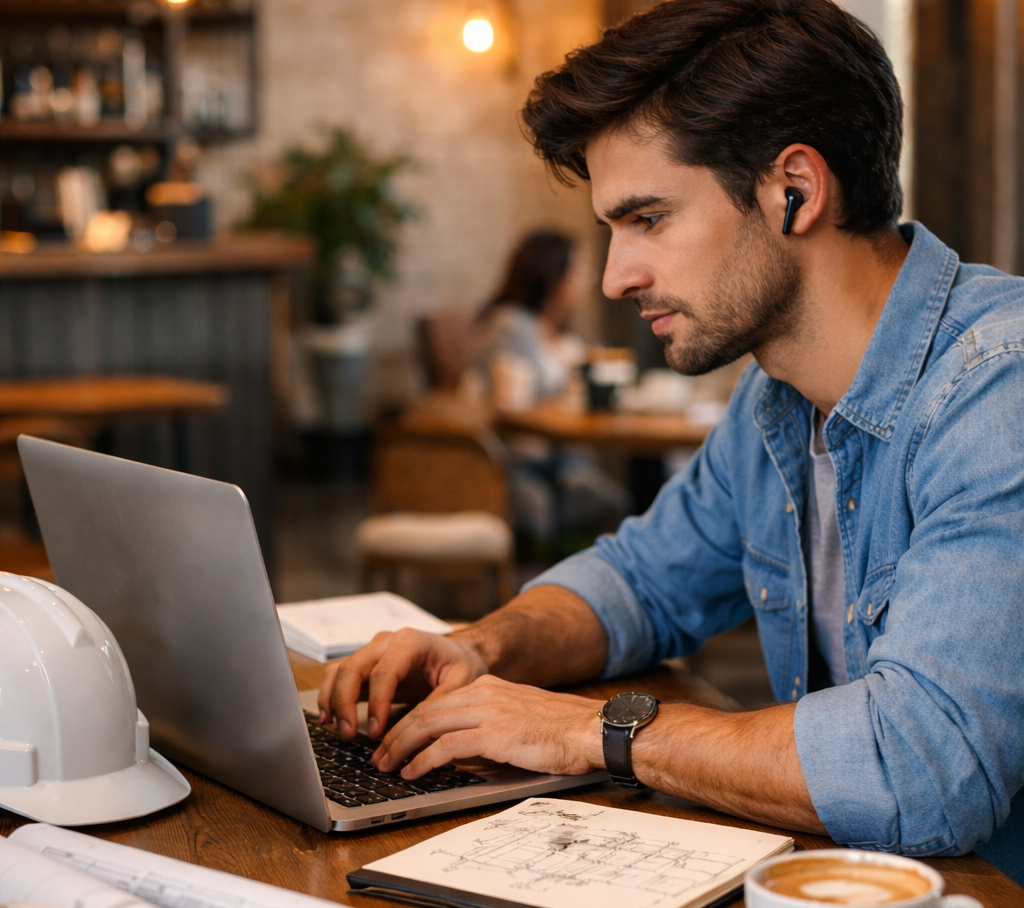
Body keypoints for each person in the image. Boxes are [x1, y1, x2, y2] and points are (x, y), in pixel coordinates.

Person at [319, 0, 1024, 884]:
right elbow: (645, 579)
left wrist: (591, 730)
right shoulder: (775, 396)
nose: (616, 276)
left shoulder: (999, 387)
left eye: (647, 219)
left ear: (793, 191)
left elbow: (923, 769)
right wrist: (483, 649)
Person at [474, 230, 628, 539]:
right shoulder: (512, 325)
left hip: (559, 459)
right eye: (579, 268)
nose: (588, 277)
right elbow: (510, 407)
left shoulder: (556, 326)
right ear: (551, 275)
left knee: (620, 501)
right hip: (517, 467)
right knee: (617, 505)